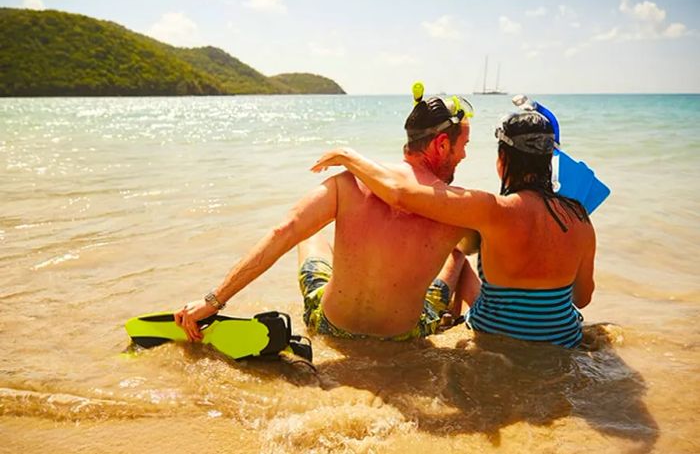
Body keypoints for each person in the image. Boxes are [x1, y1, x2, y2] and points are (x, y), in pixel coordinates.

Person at [174, 96, 480, 342]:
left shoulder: (348, 184)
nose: (464, 156)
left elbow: (283, 231)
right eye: (463, 146)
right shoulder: (456, 206)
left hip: (330, 325)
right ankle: (470, 324)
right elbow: (481, 249)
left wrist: (213, 301)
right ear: (441, 144)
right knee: (458, 258)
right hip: (402, 336)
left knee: (304, 233)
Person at [312, 110, 596, 348]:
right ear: (550, 161)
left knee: (460, 258)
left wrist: (348, 157)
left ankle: (444, 319)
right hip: (563, 342)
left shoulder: (491, 209)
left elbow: (399, 192)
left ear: (502, 161)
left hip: (491, 341)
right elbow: (582, 299)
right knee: (465, 261)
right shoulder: (580, 217)